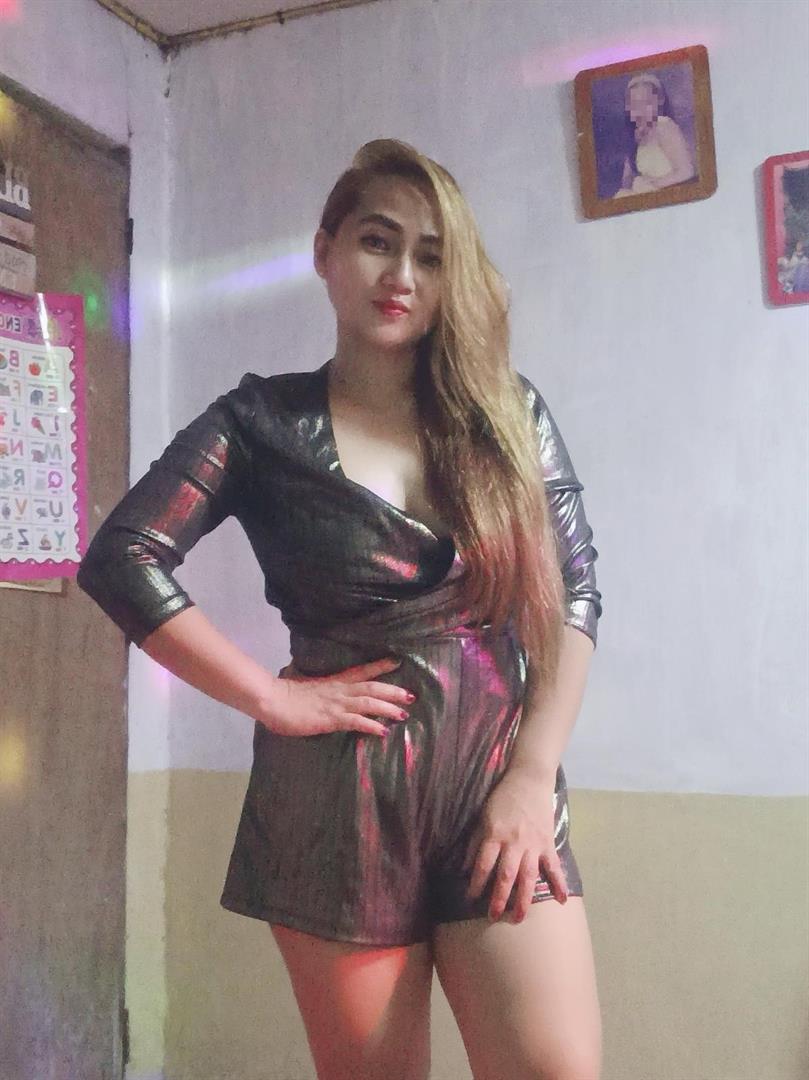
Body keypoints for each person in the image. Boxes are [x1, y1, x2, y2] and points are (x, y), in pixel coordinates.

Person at [77, 139, 603, 1080]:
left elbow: (572, 594)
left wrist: (532, 776)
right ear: (324, 250)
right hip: (338, 806)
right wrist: (269, 698)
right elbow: (123, 557)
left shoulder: (505, 415)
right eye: (376, 241)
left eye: (430, 255)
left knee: (555, 1070)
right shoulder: (257, 425)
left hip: (497, 790)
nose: (401, 275)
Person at [614, 71, 695, 197]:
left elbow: (686, 171)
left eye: (646, 103)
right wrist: (633, 146)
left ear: (659, 101)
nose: (640, 111)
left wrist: (652, 185)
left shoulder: (663, 126)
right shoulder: (637, 136)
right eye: (635, 105)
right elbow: (626, 182)